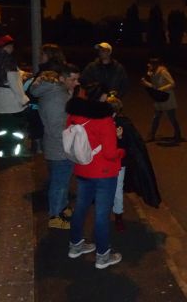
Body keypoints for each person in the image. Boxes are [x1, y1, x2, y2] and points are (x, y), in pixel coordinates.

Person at [66, 82, 125, 269]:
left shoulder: (74, 115)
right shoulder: (104, 119)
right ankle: (102, 256)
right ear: (102, 97)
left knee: (80, 207)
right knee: (101, 214)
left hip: (82, 168)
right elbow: (110, 153)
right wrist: (121, 151)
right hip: (104, 173)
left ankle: (75, 245)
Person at [30, 63, 81, 229]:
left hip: (58, 146)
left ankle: (62, 208)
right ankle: (55, 217)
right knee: (59, 184)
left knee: (61, 182)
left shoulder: (58, 93)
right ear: (62, 79)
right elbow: (56, 128)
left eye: (77, 79)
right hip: (60, 148)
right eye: (73, 79)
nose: (76, 83)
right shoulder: (56, 97)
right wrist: (75, 134)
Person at [106, 96, 162, 232]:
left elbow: (129, 145)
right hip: (109, 162)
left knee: (116, 190)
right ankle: (114, 217)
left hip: (118, 163)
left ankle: (118, 216)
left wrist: (119, 138)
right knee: (113, 190)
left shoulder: (123, 124)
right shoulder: (105, 122)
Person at [0, 34, 30, 159]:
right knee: (16, 129)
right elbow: (14, 82)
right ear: (6, 47)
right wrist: (23, 99)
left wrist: (21, 73)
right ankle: (16, 152)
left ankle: (3, 152)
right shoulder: (8, 60)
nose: (13, 49)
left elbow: (10, 75)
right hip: (11, 101)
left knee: (3, 129)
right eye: (11, 46)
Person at [25, 43, 67, 154]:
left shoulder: (48, 72)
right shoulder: (60, 69)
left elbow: (35, 91)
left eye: (42, 54)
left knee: (48, 131)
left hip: (47, 107)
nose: (40, 56)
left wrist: (33, 84)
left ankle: (41, 150)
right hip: (52, 106)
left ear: (50, 55)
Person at [142, 58, 183, 143]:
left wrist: (162, 88)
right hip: (159, 97)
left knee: (171, 117)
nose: (148, 66)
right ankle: (152, 135)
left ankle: (178, 134)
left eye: (150, 64)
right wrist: (146, 83)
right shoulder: (153, 73)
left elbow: (172, 83)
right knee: (156, 117)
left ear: (154, 65)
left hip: (167, 97)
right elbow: (155, 86)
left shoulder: (163, 72)